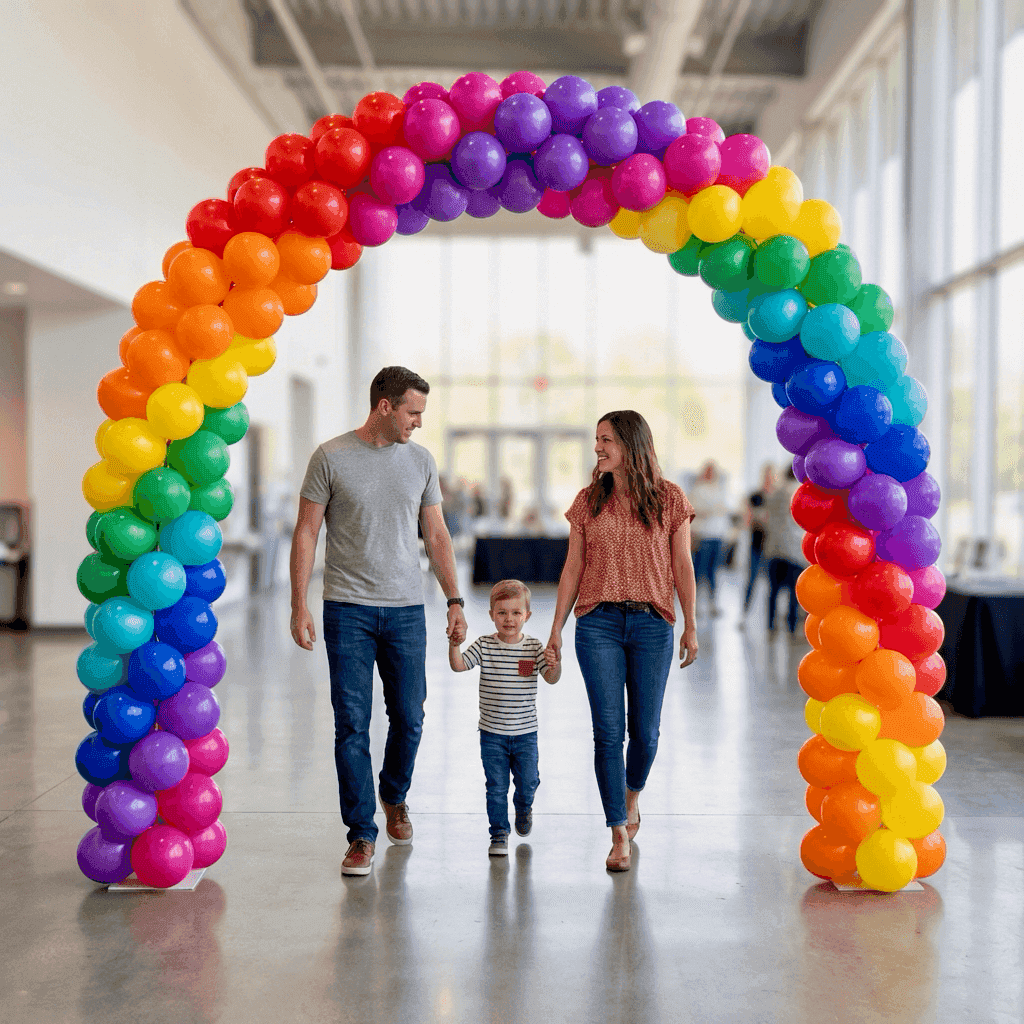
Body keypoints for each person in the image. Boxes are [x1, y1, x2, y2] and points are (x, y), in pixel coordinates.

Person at [289, 366, 468, 877]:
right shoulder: (330, 456)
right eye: (413, 412)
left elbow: (436, 534)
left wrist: (454, 599)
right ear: (385, 406)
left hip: (407, 609)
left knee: (409, 716)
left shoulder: (421, 461)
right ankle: (361, 834)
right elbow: (307, 531)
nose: (419, 422)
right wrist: (299, 603)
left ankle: (394, 794)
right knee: (351, 722)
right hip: (347, 608)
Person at [545, 411, 698, 873]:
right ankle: (617, 832)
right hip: (598, 624)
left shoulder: (670, 498)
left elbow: (683, 564)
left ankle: (632, 796)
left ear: (632, 443)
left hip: (653, 624)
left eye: (606, 439)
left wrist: (691, 624)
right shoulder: (588, 500)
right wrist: (556, 628)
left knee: (645, 734)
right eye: (597, 439)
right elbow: (573, 567)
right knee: (608, 732)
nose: (598, 447)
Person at [449, 579, 560, 857]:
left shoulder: (533, 647)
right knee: (496, 787)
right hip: (492, 735)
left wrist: (556, 664)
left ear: (527, 615)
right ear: (491, 615)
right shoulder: (484, 645)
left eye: (515, 613)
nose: (509, 619)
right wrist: (454, 645)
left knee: (528, 782)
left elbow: (551, 678)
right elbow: (459, 665)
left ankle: (524, 806)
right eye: (502, 613)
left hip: (525, 734)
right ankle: (499, 833)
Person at [762, 464, 807, 636]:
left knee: (773, 591)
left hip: (774, 547)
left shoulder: (776, 493)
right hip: (794, 549)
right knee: (794, 593)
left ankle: (770, 625)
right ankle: (791, 627)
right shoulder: (798, 492)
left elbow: (767, 516)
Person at [687, 460, 731, 616]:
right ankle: (695, 605)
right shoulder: (697, 490)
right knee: (699, 572)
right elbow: (692, 511)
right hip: (703, 536)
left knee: (713, 572)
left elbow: (724, 510)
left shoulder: (719, 489)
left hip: (717, 536)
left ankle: (712, 603)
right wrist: (711, 510)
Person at [741, 464, 777, 618]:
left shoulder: (778, 497)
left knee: (772, 584)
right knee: (752, 579)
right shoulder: (755, 496)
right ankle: (744, 613)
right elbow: (747, 520)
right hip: (756, 543)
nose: (769, 479)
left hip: (774, 547)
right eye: (766, 475)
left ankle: (770, 618)